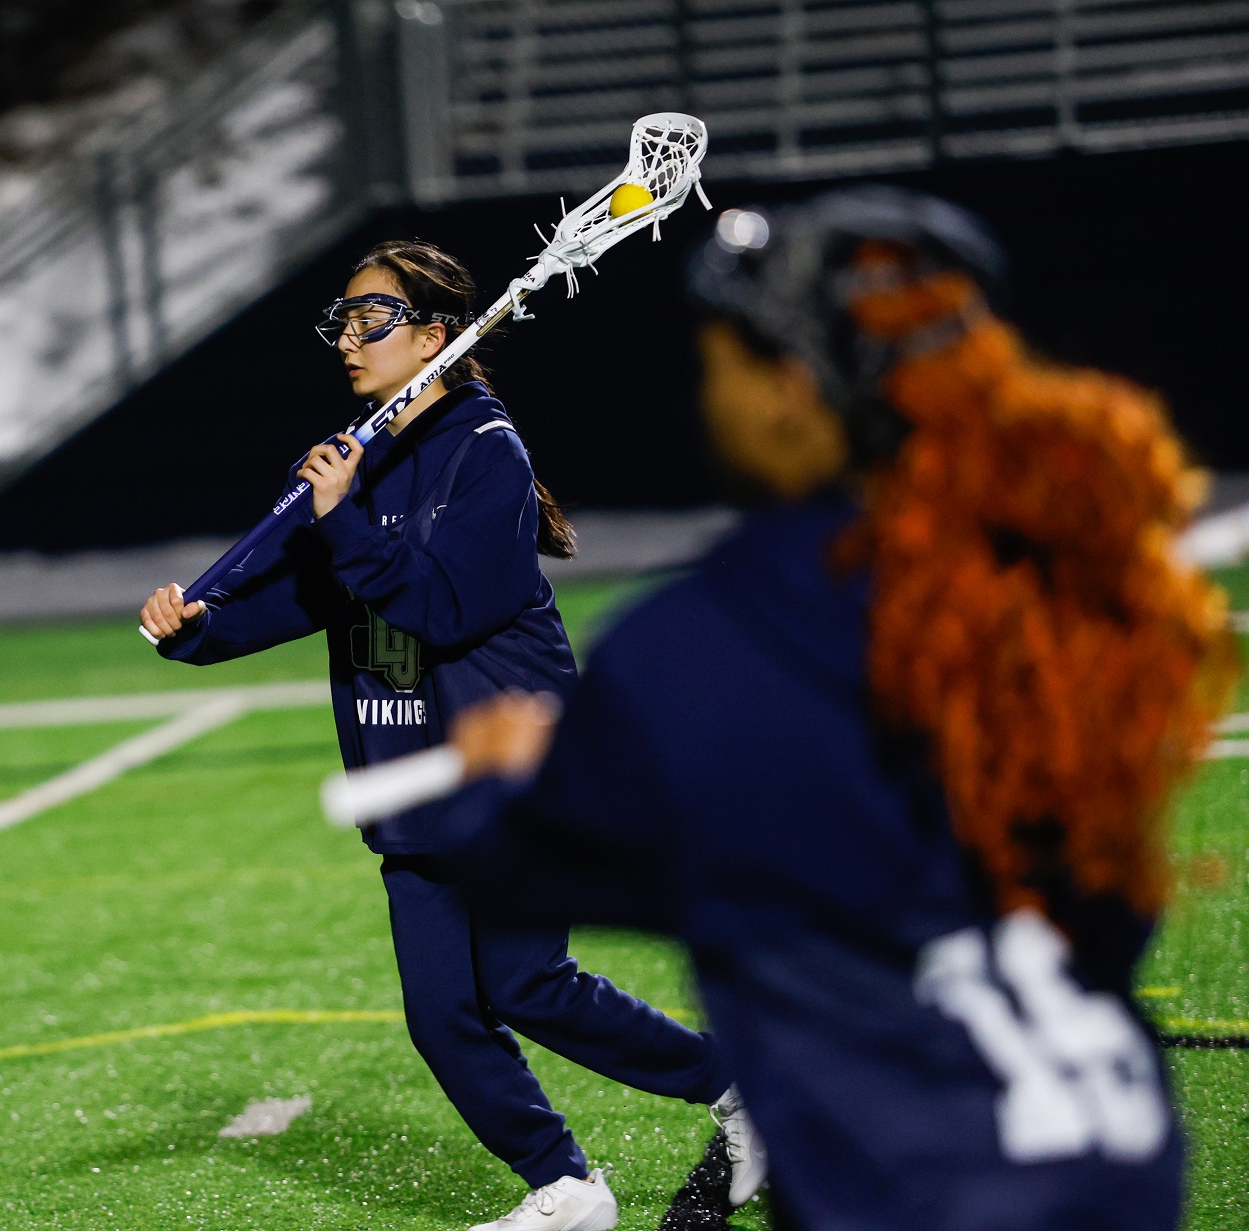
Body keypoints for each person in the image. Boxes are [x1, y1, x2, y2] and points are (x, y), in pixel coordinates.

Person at [431, 188, 1234, 1230]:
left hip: (918, 1189)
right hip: (1117, 1167)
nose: (705, 388)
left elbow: (512, 864)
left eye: (720, 357)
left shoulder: (704, 635)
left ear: (791, 388)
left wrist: (509, 768)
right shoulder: (1048, 589)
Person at [141, 239, 763, 1231]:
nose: (348, 338)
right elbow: (303, 595)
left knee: (526, 982)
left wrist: (342, 519)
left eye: (371, 318)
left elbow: (436, 605)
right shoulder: (358, 452)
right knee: (441, 1012)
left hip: (507, 760)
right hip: (410, 768)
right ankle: (566, 1187)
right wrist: (198, 628)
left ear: (436, 335)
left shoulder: (486, 450)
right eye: (340, 320)